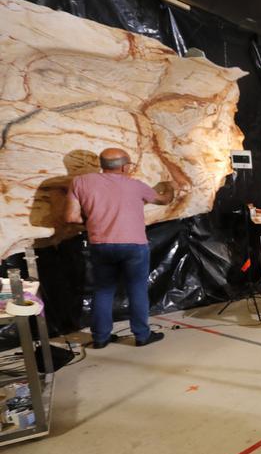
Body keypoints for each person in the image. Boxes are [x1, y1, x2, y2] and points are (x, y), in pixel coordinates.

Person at [63, 148, 177, 348]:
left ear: (102, 165)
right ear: (125, 166)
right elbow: (164, 199)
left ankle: (100, 338)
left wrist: (93, 223)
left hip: (101, 244)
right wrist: (170, 187)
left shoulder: (80, 182)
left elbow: (71, 217)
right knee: (137, 290)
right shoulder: (136, 185)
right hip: (134, 246)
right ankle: (142, 335)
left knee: (103, 291)